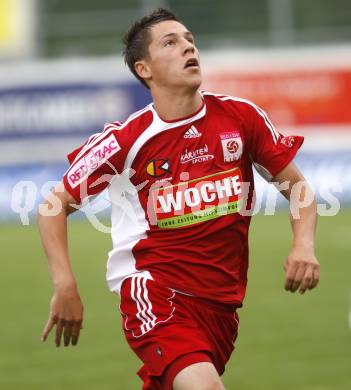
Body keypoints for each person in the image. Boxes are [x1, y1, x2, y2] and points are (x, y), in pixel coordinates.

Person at [38, 8, 320, 390]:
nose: (188, 47)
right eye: (171, 43)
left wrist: (303, 245)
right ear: (144, 69)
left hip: (221, 306)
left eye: (190, 39)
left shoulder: (240, 118)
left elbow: (298, 187)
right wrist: (65, 284)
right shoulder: (126, 140)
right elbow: (52, 207)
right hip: (153, 292)